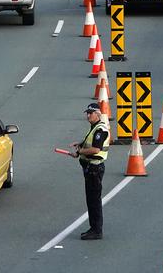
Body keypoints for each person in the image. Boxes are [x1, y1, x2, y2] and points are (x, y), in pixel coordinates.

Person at [70, 103, 109, 240]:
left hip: (95, 169)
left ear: (97, 114)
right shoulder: (93, 128)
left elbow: (95, 149)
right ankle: (94, 228)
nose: (88, 115)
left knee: (94, 201)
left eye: (90, 113)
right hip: (90, 168)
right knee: (91, 200)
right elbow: (89, 144)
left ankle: (97, 230)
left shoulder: (100, 130)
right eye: (87, 113)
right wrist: (80, 146)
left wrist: (81, 151)